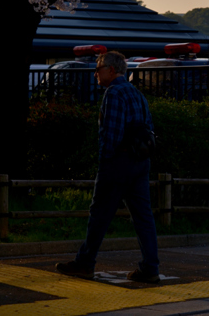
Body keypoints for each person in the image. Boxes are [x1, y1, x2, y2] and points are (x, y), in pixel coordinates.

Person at [55, 51, 160, 283]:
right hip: (140, 162)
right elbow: (149, 128)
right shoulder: (137, 94)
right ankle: (150, 268)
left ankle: (85, 263)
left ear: (111, 70)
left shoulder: (113, 93)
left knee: (99, 214)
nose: (95, 73)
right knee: (143, 217)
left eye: (98, 68)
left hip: (118, 163)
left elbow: (110, 135)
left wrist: (105, 164)